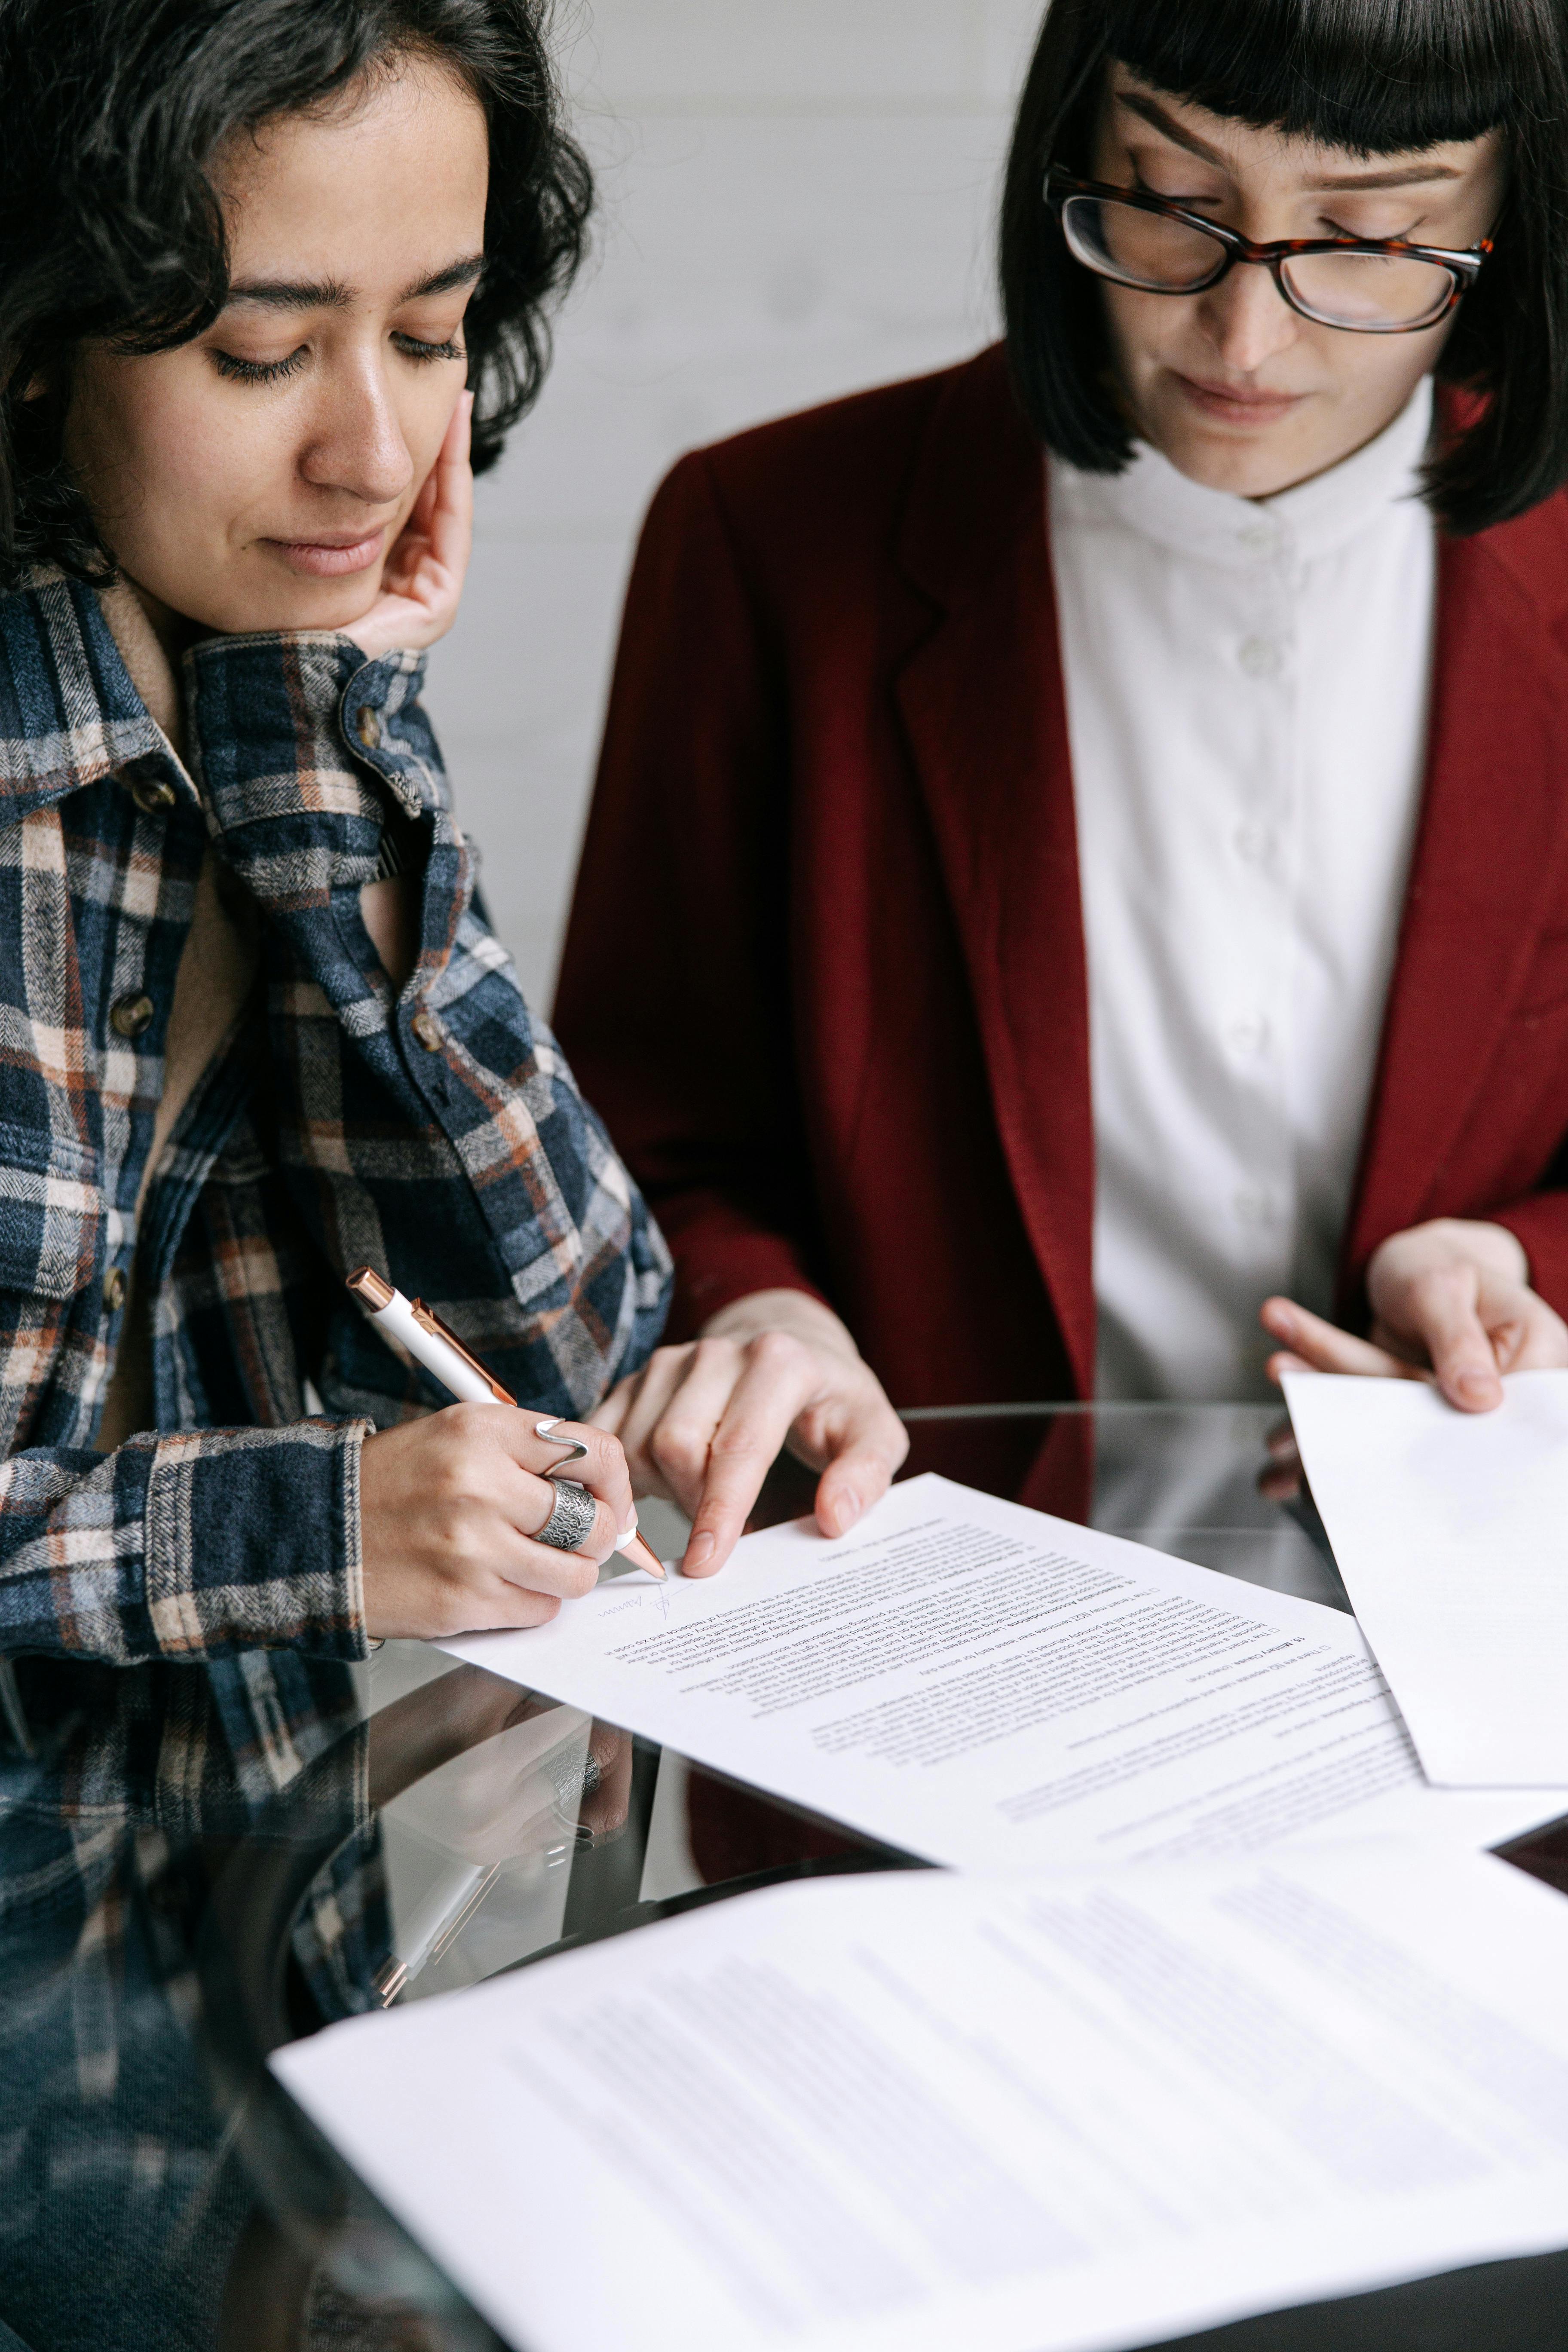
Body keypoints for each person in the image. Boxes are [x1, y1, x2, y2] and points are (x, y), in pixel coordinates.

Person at [558, 0, 1568, 1574]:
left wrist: (1523, 1269)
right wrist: (760, 1312)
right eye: (1171, 202)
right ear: (1070, 151)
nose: (1245, 339)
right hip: (911, 1653)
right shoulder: (767, 543)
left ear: (1514, 220)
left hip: (1484, 1671)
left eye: (1370, 238)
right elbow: (645, 1128)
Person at [0, 0, 674, 1665]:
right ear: (36, 333)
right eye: (260, 352)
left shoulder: (269, 705)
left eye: (432, 334)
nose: (373, 456)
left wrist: (329, 746)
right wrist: (307, 1528)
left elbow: (562, 1354)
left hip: (252, 1893)